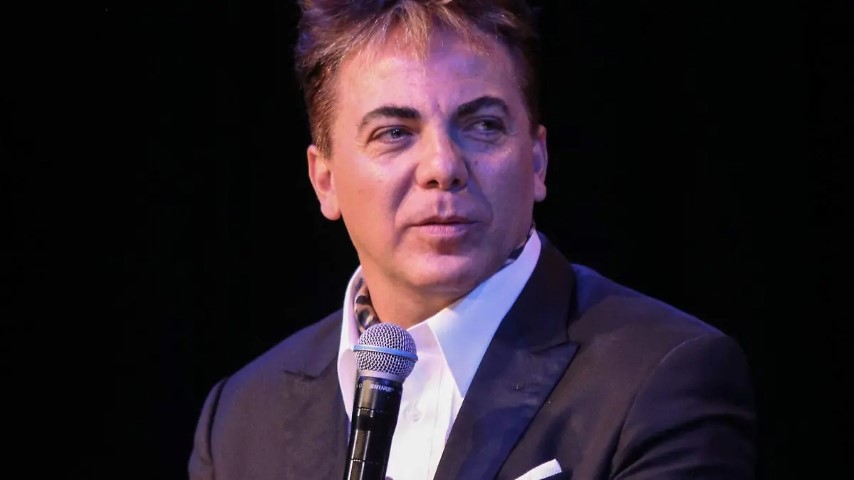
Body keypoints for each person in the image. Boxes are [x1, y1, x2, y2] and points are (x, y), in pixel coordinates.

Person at [188, 0, 757, 479]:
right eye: (394, 133)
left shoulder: (662, 376)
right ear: (325, 180)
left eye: (483, 125)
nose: (443, 167)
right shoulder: (241, 417)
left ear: (537, 160)